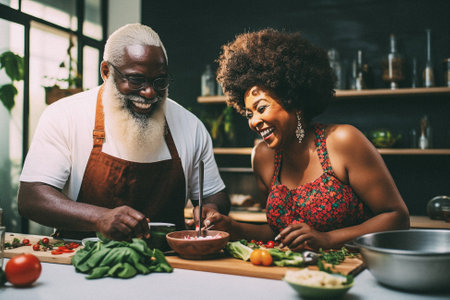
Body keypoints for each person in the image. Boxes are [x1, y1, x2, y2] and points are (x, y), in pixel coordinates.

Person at [18, 23, 230, 241]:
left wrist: (211, 211)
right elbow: (32, 198)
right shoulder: (64, 115)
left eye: (160, 81)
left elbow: (215, 196)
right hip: (80, 261)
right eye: (136, 80)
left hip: (168, 263)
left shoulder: (191, 126)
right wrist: (99, 218)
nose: (149, 93)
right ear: (106, 71)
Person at [210, 28, 409, 251]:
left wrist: (328, 239)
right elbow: (279, 233)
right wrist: (234, 228)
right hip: (292, 274)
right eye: (249, 114)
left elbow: (396, 218)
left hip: (352, 269)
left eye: (261, 108)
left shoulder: (342, 141)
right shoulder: (263, 157)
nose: (254, 121)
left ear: (293, 99)